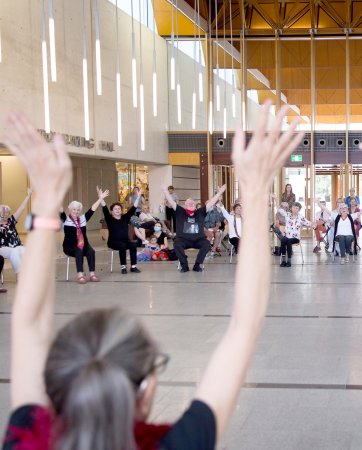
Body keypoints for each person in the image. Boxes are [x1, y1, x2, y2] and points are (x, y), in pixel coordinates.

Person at [2, 104, 303, 450]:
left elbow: (27, 323)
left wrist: (45, 201)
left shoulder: (26, 439)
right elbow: (246, 325)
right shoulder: (176, 444)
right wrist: (256, 192)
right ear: (146, 391)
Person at [162, 186, 227, 272]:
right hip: (183, 239)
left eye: (192, 203)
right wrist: (165, 192)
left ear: (195, 205)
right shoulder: (180, 211)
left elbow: (210, 203)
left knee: (206, 244)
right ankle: (184, 265)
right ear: (185, 205)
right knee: (176, 244)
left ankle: (197, 265)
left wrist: (219, 193)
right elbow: (171, 202)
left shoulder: (200, 212)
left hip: (198, 239)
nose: (191, 204)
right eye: (189, 203)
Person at [61, 187, 108, 284]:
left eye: (78, 210)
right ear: (70, 209)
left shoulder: (83, 219)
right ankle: (80, 275)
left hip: (84, 245)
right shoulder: (65, 220)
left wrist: (100, 198)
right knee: (79, 252)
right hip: (70, 247)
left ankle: (92, 274)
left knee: (91, 251)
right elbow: (60, 209)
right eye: (74, 209)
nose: (76, 211)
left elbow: (92, 209)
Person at [102, 193, 142, 274]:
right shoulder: (109, 219)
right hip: (113, 242)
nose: (117, 210)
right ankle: (123, 266)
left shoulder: (125, 218)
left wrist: (137, 197)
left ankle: (133, 266)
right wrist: (101, 198)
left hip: (125, 241)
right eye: (115, 209)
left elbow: (133, 208)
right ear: (112, 211)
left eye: (119, 209)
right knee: (122, 245)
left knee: (133, 244)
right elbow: (105, 209)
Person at [0, 189, 32, 277]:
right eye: (3, 212)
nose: (5, 214)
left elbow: (21, 209)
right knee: (14, 252)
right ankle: (19, 275)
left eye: (7, 212)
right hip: (3, 248)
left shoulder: (11, 221)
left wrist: (28, 195)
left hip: (17, 246)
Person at [274, 201, 314, 267]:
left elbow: (308, 223)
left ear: (299, 210)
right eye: (293, 207)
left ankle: (289, 261)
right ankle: (283, 261)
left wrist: (314, 224)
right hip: (286, 236)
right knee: (283, 239)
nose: (294, 209)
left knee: (288, 240)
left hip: (295, 238)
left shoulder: (301, 217)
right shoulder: (287, 214)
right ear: (291, 208)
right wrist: (275, 199)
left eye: (296, 208)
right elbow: (279, 209)